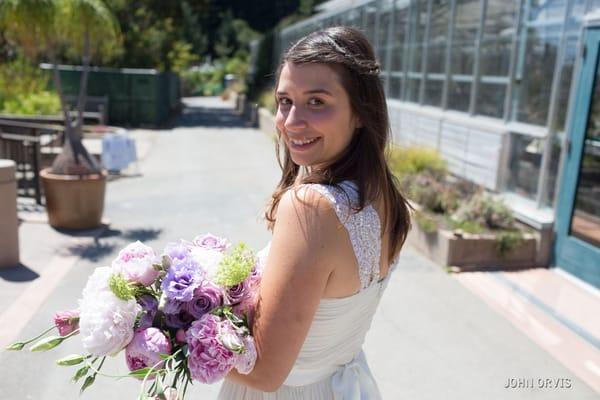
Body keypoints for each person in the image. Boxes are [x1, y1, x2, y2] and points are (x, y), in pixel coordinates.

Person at [218, 26, 412, 399]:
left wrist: (165, 337)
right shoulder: (383, 196)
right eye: (285, 101)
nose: (291, 122)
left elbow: (263, 372)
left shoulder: (312, 208)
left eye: (317, 102)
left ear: (360, 112)